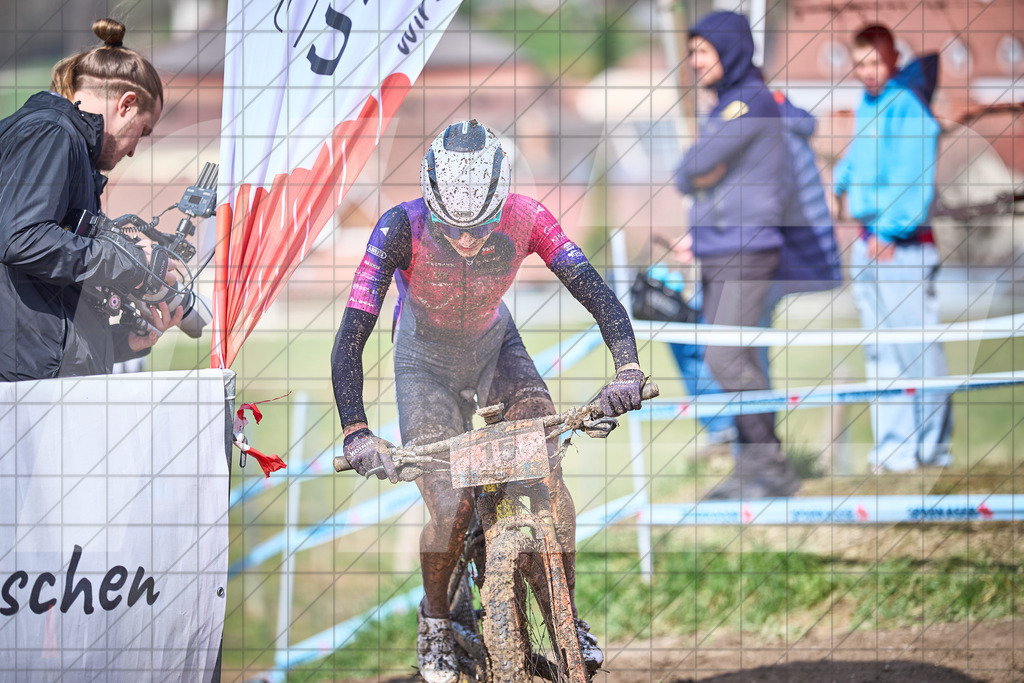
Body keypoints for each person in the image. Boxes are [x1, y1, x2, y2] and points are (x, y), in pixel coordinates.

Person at [331, 120, 644, 682]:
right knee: (449, 507)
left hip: (496, 347)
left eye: (480, 224)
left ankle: (565, 615)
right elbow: (352, 333)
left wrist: (628, 368)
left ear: (501, 202)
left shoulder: (528, 217)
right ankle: (435, 620)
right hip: (422, 361)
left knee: (546, 471)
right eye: (453, 225)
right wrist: (356, 429)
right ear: (431, 204)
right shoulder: (398, 227)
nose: (468, 238)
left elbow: (595, 290)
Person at [0, 18, 181, 381]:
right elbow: (21, 239)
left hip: (38, 383)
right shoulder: (51, 132)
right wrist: (131, 262)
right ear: (126, 104)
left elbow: (47, 313)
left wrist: (123, 342)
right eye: (142, 133)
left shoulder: (62, 140)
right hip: (26, 396)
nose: (132, 152)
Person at [672, 11, 800, 499]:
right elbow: (711, 180)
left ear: (729, 51)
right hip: (721, 250)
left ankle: (771, 464)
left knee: (724, 357)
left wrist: (701, 171)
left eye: (702, 51)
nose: (693, 62)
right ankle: (756, 466)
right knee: (741, 357)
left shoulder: (750, 103)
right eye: (691, 52)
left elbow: (693, 167)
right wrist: (697, 238)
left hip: (747, 252)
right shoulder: (727, 105)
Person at [834, 25, 952, 473]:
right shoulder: (869, 104)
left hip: (900, 246)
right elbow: (859, 154)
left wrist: (889, 230)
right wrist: (839, 182)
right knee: (881, 354)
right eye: (860, 63)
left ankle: (932, 450)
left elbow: (916, 179)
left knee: (916, 352)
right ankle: (894, 450)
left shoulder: (910, 106)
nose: (868, 72)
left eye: (876, 63)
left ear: (894, 58)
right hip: (869, 245)